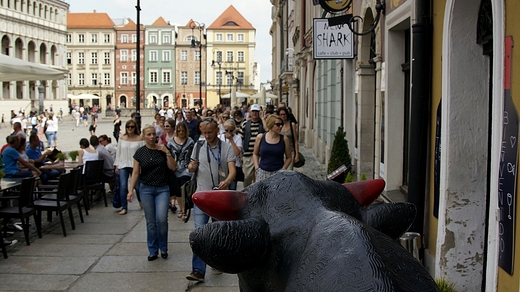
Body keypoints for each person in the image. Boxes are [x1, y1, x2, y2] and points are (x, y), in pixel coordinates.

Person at [186, 118, 236, 282]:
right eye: (204, 132)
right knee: (199, 234)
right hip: (202, 196)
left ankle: (216, 262)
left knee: (217, 233)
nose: (207, 136)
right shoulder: (198, 146)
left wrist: (227, 181)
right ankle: (198, 270)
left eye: (210, 132)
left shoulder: (226, 147)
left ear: (216, 130)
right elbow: (191, 166)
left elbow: (232, 171)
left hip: (219, 198)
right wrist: (191, 167)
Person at [127, 125, 177, 261]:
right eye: (148, 134)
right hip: (146, 189)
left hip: (162, 188)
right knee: (150, 222)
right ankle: (153, 250)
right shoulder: (140, 153)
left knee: (161, 219)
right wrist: (131, 190)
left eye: (153, 134)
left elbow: (173, 167)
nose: (151, 137)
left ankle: (164, 248)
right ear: (143, 137)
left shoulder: (162, 150)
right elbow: (135, 172)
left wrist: (166, 151)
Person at [114, 119, 145, 215]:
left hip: (135, 165)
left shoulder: (140, 139)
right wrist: (117, 165)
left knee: (137, 186)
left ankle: (141, 201)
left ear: (135, 128)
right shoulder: (122, 138)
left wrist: (141, 166)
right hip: (123, 164)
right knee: (123, 186)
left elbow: (142, 153)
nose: (130, 129)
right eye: (128, 127)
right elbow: (118, 152)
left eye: (132, 127)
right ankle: (124, 207)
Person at [253, 114, 292, 181]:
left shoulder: (284, 139)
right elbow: (255, 154)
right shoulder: (260, 137)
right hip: (262, 172)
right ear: (271, 125)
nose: (280, 126)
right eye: (278, 124)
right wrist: (257, 168)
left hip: (278, 172)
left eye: (281, 124)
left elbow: (289, 157)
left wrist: (283, 170)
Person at [168, 122, 194, 219]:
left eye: (183, 130)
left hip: (186, 168)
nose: (181, 132)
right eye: (179, 131)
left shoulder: (190, 141)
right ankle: (182, 209)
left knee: (184, 187)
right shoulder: (171, 142)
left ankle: (185, 210)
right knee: (177, 190)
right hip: (175, 168)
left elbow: (193, 155)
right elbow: (169, 154)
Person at [238, 104, 265, 187]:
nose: (254, 113)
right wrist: (240, 154)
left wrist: (263, 119)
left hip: (260, 155)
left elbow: (268, 131)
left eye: (256, 111)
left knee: (261, 178)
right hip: (248, 155)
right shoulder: (245, 124)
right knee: (247, 177)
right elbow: (240, 138)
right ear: (250, 112)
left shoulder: (263, 124)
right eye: (253, 111)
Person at [218, 119, 242, 190]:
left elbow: (238, 152)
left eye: (231, 130)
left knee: (232, 188)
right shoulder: (220, 137)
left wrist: (231, 140)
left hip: (234, 165)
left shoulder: (238, 138)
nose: (228, 132)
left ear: (234, 129)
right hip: (222, 166)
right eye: (226, 130)